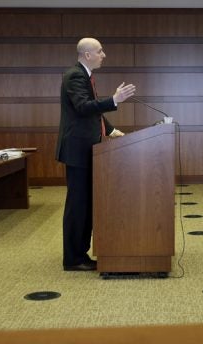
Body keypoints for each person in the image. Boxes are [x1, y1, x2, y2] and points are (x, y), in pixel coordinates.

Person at [55, 37, 136, 271]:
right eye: (100, 51)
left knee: (85, 204)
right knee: (78, 205)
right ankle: (73, 258)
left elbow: (91, 112)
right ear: (87, 54)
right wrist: (114, 100)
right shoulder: (75, 75)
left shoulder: (85, 75)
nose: (104, 55)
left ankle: (80, 254)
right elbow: (82, 107)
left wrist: (110, 130)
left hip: (86, 149)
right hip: (77, 151)